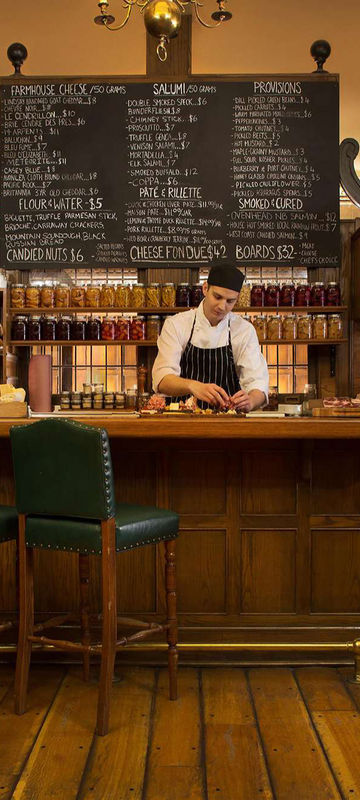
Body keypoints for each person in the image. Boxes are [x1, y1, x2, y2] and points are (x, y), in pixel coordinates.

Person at [152, 264, 269, 411]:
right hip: (181, 421)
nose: (222, 306)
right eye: (217, 297)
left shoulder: (244, 330)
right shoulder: (177, 325)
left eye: (230, 301)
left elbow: (258, 383)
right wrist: (193, 386)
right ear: (205, 288)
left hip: (227, 423)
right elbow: (162, 379)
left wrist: (250, 401)